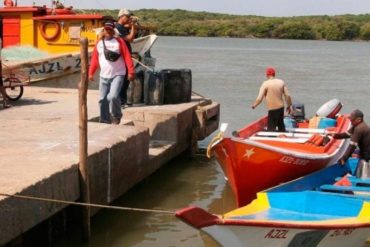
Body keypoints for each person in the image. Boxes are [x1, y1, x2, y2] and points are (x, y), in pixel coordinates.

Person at [88, 21, 135, 125]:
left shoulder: (120, 42)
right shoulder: (99, 43)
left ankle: (116, 116)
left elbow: (127, 56)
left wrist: (131, 71)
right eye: (106, 29)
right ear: (103, 30)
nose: (108, 31)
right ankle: (104, 120)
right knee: (102, 99)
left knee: (112, 96)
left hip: (118, 74)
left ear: (113, 30)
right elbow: (95, 59)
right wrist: (91, 72)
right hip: (103, 76)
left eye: (110, 29)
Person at [330, 109, 370, 178]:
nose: (351, 122)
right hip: (364, 154)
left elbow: (352, 146)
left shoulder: (359, 129)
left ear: (359, 120)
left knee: (363, 175)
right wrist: (335, 136)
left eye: (352, 120)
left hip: (366, 156)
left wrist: (344, 158)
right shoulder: (356, 126)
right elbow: (347, 134)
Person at [251, 67, 292, 132]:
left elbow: (259, 98)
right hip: (281, 108)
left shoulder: (265, 84)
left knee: (270, 130)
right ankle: (283, 138)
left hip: (273, 110)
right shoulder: (281, 82)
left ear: (267, 75)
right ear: (274, 74)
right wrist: (289, 106)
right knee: (281, 126)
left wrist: (254, 105)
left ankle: (272, 140)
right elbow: (287, 95)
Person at [115, 8, 138, 107]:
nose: (129, 19)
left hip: (124, 56)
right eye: (127, 17)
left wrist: (131, 24)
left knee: (125, 79)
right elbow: (130, 39)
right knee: (124, 79)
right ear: (122, 16)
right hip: (123, 56)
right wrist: (133, 26)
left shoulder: (120, 27)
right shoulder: (118, 27)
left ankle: (122, 101)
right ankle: (121, 102)